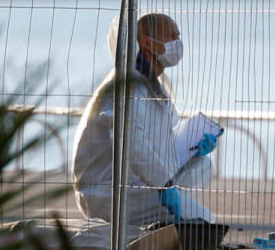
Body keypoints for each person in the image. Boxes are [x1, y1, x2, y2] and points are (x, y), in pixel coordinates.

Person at [71, 13, 219, 233]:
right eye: (171, 36)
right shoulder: (127, 86)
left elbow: (158, 141)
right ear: (149, 43)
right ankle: (166, 229)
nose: (178, 42)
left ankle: (167, 222)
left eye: (178, 35)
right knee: (203, 219)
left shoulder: (154, 82)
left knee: (203, 167)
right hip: (108, 191)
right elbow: (130, 142)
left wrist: (193, 148)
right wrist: (164, 186)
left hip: (136, 182)